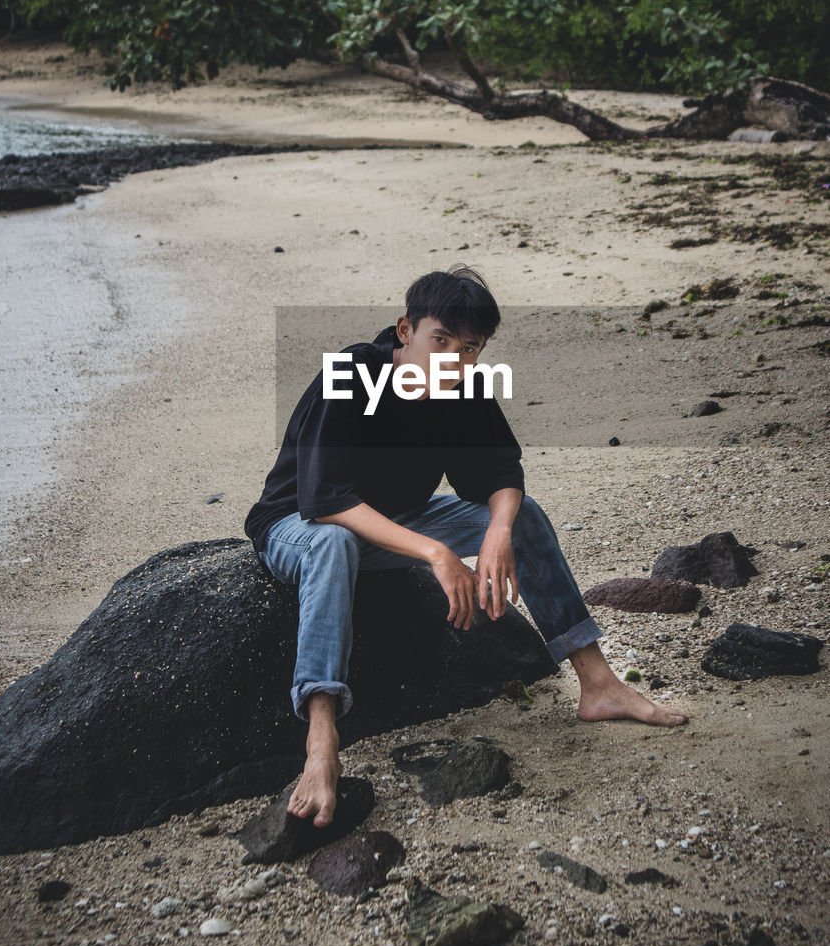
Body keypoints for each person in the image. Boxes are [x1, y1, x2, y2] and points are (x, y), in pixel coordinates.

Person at [245, 266, 687, 828]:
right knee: (334, 542)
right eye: (441, 340)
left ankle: (598, 683)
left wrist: (498, 531)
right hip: (299, 525)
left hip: (394, 522)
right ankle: (322, 738)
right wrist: (436, 552)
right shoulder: (352, 373)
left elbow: (501, 472)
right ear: (406, 331)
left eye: (469, 348)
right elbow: (327, 499)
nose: (453, 359)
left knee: (521, 512)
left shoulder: (465, 387)